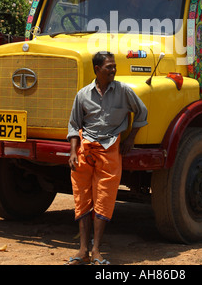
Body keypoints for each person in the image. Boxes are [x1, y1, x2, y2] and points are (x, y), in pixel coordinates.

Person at [66, 51, 148, 265]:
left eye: (114, 66)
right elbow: (75, 125)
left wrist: (130, 138)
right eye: (109, 67)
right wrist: (74, 151)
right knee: (82, 198)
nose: (113, 70)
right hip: (85, 150)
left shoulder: (124, 91)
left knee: (104, 199)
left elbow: (142, 112)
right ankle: (82, 250)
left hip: (111, 149)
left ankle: (96, 251)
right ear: (97, 70)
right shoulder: (83, 94)